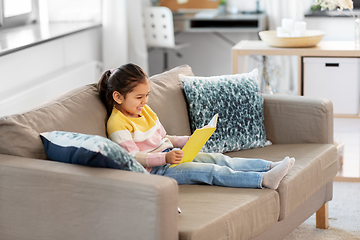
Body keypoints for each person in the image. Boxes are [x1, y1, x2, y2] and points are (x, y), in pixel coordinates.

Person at [97, 63, 295, 189]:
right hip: (155, 172)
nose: (145, 101)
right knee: (211, 171)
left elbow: (164, 138)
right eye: (139, 97)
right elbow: (132, 158)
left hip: (171, 156)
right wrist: (164, 157)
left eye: (147, 95)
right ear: (118, 97)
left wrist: (188, 141)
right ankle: (263, 180)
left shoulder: (144, 111)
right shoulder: (117, 124)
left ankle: (268, 166)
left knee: (219, 159)